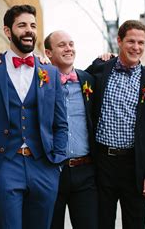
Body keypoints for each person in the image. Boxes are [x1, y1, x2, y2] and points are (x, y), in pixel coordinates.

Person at [0, 4, 68, 229]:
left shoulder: (50, 72)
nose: (29, 30)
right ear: (8, 31)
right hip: (5, 163)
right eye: (22, 25)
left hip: (43, 165)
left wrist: (57, 162)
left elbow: (60, 122)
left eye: (33, 26)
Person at [86, 20, 145, 229]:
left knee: (135, 223)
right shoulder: (99, 70)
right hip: (103, 162)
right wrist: (44, 61)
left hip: (135, 165)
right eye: (131, 41)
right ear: (119, 41)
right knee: (102, 222)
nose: (136, 47)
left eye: (141, 42)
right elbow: (70, 78)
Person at [44, 30, 98, 229]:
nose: (68, 48)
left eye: (71, 44)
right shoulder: (40, 81)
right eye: (62, 45)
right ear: (48, 53)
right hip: (52, 171)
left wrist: (106, 57)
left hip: (85, 171)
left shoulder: (89, 80)